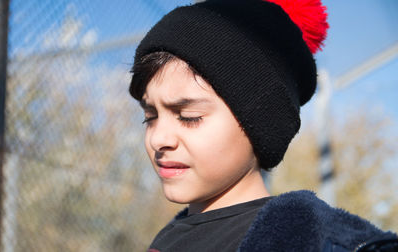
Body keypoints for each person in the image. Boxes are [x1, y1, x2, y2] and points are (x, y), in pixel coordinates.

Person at [129, 0, 398, 251]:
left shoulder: (310, 241)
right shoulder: (173, 233)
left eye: (189, 116)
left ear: (260, 124)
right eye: (150, 116)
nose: (158, 139)